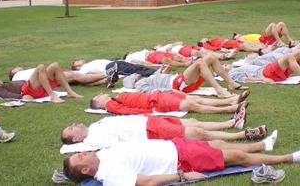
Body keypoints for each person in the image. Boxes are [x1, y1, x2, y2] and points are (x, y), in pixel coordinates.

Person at [62, 135, 300, 185]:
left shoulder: (100, 156)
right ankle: (290, 158)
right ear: (85, 169)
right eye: (80, 156)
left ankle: (262, 144)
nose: (83, 152)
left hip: (173, 146)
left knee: (217, 144)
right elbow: (147, 182)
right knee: (236, 157)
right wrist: (182, 176)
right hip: (180, 159)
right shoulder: (109, 175)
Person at [60, 114, 267, 147]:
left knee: (192, 122)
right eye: (70, 129)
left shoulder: (95, 126)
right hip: (149, 131)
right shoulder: (93, 138)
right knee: (197, 134)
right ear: (76, 138)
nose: (73, 124)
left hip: (149, 121)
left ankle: (231, 123)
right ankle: (243, 134)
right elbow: (116, 145)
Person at [123, 54, 248, 98]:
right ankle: (219, 90)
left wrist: (165, 71)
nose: (136, 74)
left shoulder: (148, 78)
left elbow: (159, 80)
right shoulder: (140, 84)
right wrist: (173, 91)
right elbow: (156, 91)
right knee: (199, 62)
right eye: (134, 76)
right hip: (178, 85)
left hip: (180, 80)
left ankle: (230, 83)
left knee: (210, 57)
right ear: (133, 80)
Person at [89, 90, 250, 115]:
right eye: (99, 96)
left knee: (194, 99)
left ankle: (231, 100)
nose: (102, 94)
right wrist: (148, 112)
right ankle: (231, 108)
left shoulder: (114, 98)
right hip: (155, 102)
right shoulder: (110, 104)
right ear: (98, 103)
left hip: (158, 95)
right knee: (192, 105)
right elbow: (127, 111)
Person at [0, 63, 83, 103]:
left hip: (36, 88)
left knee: (55, 65)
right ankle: (52, 95)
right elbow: (6, 95)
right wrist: (21, 97)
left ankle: (70, 91)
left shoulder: (7, 84)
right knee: (40, 67)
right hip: (27, 91)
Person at [228, 50, 300, 87]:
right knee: (289, 57)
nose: (225, 65)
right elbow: (244, 79)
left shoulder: (239, 66)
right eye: (224, 67)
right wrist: (262, 80)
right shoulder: (231, 73)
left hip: (267, 69)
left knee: (299, 52)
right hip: (265, 73)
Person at [9, 66, 110, 87]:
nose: (19, 67)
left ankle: (104, 81)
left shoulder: (20, 77)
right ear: (13, 72)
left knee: (75, 80)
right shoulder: (18, 75)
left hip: (43, 82)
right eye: (16, 68)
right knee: (73, 75)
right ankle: (106, 74)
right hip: (45, 78)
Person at [155, 42, 237, 60]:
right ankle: (217, 58)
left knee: (205, 50)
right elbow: (169, 55)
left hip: (185, 46)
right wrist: (169, 50)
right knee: (198, 53)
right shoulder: (159, 50)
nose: (157, 45)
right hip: (181, 50)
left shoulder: (168, 45)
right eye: (156, 46)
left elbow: (180, 42)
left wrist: (172, 45)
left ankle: (226, 56)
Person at [124, 49, 191, 67]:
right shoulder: (128, 58)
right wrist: (145, 63)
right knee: (167, 60)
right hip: (151, 56)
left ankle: (191, 62)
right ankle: (185, 64)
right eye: (129, 52)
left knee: (176, 57)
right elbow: (135, 61)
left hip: (155, 53)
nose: (130, 51)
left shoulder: (136, 53)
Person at [197, 37, 266, 53]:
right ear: (202, 42)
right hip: (226, 44)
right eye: (202, 39)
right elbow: (213, 48)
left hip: (229, 41)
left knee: (245, 42)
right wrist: (221, 49)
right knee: (243, 45)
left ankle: (262, 47)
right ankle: (259, 50)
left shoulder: (210, 40)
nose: (204, 38)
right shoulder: (205, 44)